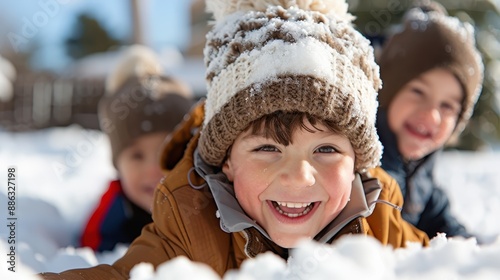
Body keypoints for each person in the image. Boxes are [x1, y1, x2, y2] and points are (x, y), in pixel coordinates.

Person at [40, 1, 428, 278]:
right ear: (226, 160)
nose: (299, 178)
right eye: (267, 149)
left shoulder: (379, 217)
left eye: (325, 149)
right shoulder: (191, 223)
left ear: (358, 162)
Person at [376, 0, 484, 240]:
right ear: (388, 93)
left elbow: (436, 214)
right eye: (418, 92)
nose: (431, 114)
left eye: (447, 106)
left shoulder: (421, 167)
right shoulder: (365, 163)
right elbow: (380, 230)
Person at [79, 45, 194, 252]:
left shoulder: (202, 199)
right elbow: (89, 250)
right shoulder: (114, 208)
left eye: (169, 153)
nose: (153, 169)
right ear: (118, 165)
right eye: (136, 155)